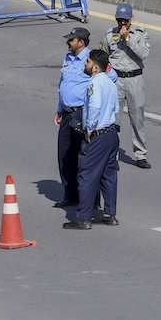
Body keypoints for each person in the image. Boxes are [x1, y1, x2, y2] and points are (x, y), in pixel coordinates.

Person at [54, 27, 116, 208]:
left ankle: (91, 200)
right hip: (66, 113)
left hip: (82, 113)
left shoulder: (92, 60)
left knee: (85, 158)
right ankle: (70, 194)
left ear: (81, 42)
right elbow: (62, 83)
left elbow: (111, 76)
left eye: (72, 40)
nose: (68, 42)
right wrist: (59, 108)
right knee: (65, 155)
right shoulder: (67, 58)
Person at [64, 49, 120, 230]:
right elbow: (115, 109)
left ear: (95, 67)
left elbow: (94, 107)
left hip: (98, 135)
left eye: (87, 62)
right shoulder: (110, 83)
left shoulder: (94, 83)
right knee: (109, 175)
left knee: (87, 175)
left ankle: (84, 218)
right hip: (111, 133)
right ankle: (110, 214)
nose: (85, 65)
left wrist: (89, 129)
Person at [101, 3, 151, 169]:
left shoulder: (139, 34)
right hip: (116, 79)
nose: (122, 24)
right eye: (119, 20)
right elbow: (103, 56)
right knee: (113, 118)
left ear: (131, 19)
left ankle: (140, 154)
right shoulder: (110, 34)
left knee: (137, 118)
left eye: (125, 21)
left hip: (134, 78)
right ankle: (111, 155)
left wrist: (127, 39)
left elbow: (144, 54)